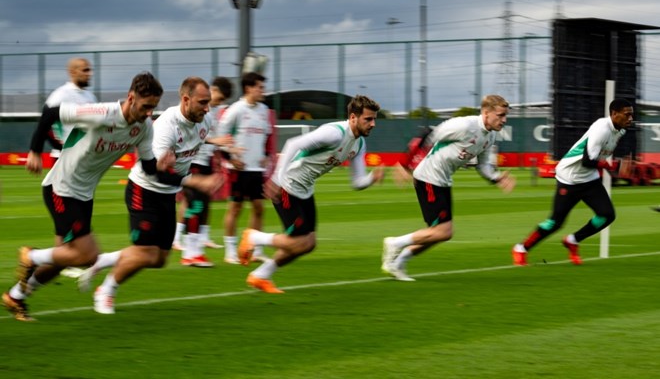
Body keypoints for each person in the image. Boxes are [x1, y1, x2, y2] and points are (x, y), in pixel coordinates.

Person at [2, 72, 167, 321]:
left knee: (61, 259)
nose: (148, 113)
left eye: (153, 108)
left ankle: (15, 297)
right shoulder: (102, 113)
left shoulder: (144, 128)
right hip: (62, 188)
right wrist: (35, 151)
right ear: (131, 97)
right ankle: (31, 256)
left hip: (84, 194)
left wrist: (162, 165)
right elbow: (51, 114)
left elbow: (148, 167)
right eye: (145, 107)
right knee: (87, 255)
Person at [80, 77, 232, 314]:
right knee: (144, 252)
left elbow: (200, 144)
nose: (207, 107)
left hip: (168, 194)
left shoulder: (205, 120)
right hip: (144, 190)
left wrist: (229, 156)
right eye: (203, 102)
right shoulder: (165, 128)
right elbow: (155, 175)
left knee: (160, 258)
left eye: (208, 102)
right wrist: (196, 181)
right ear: (185, 99)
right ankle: (106, 290)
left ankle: (104, 260)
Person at [237, 95, 385, 293]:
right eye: (368, 119)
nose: (373, 124)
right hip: (288, 185)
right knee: (298, 241)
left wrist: (372, 178)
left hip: (306, 189)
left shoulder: (359, 144)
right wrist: (276, 179)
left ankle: (260, 275)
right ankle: (254, 237)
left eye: (374, 119)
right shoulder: (333, 133)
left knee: (309, 244)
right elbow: (292, 144)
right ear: (353, 118)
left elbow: (357, 182)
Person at [382, 95, 516, 281]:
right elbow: (427, 134)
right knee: (443, 231)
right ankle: (395, 243)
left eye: (505, 115)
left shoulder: (490, 135)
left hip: (443, 180)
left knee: (439, 234)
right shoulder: (464, 126)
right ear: (486, 113)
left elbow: (483, 165)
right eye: (500, 115)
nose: (504, 119)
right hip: (428, 177)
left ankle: (398, 263)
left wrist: (496, 178)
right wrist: (405, 163)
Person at [512, 98, 634, 266]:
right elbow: (587, 161)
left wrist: (616, 167)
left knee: (607, 215)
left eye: (631, 115)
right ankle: (521, 248)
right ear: (614, 114)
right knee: (555, 222)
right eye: (627, 115)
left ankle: (572, 240)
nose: (630, 119)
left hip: (589, 178)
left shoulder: (620, 131)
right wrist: (611, 166)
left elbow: (598, 159)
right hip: (569, 177)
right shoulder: (601, 128)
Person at [44, 57, 97, 278]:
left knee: (69, 218)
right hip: (64, 162)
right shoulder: (60, 95)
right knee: (68, 216)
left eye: (90, 70)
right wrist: (61, 146)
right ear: (72, 72)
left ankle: (63, 258)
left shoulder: (90, 97)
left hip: (83, 164)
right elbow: (46, 122)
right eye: (85, 70)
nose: (89, 73)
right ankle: (69, 257)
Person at [172, 76, 233, 264]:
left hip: (204, 161)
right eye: (219, 97)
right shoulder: (195, 111)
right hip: (190, 161)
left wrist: (229, 156)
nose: (218, 102)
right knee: (195, 204)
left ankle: (194, 250)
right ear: (211, 90)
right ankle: (188, 252)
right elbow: (191, 135)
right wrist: (215, 142)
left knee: (203, 205)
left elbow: (212, 138)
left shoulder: (212, 113)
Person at [217, 72, 275, 264]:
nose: (262, 91)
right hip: (238, 169)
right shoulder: (235, 110)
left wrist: (266, 156)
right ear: (249, 88)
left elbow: (267, 136)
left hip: (256, 170)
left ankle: (255, 249)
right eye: (260, 87)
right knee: (235, 208)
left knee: (259, 208)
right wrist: (230, 157)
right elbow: (220, 136)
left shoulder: (264, 110)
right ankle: (230, 252)